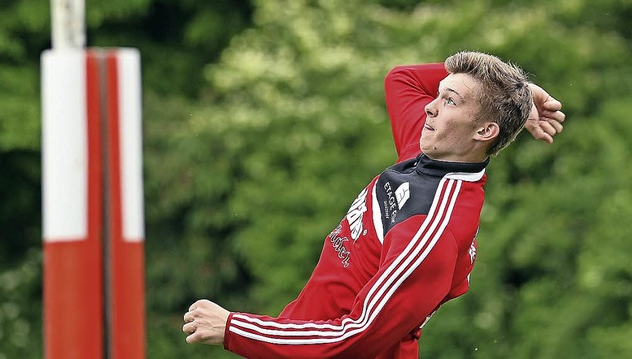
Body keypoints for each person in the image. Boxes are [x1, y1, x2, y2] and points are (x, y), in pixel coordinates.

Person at [182, 51, 565, 358]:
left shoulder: (431, 227)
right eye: (438, 95)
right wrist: (519, 93)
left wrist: (234, 328)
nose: (430, 107)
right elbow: (404, 78)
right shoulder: (428, 154)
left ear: (483, 131)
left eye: (449, 101)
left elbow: (357, 337)